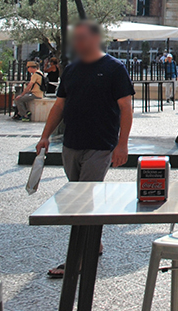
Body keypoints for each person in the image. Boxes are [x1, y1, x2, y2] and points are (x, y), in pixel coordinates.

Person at [35, 20, 134, 279]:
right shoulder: (71, 69)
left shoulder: (114, 68)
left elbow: (126, 107)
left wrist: (122, 144)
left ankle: (78, 258)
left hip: (100, 144)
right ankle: (95, 243)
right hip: (71, 143)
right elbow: (59, 105)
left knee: (82, 201)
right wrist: (45, 136)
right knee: (80, 195)